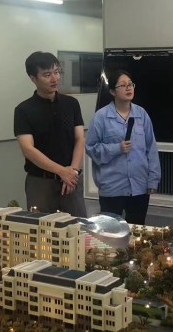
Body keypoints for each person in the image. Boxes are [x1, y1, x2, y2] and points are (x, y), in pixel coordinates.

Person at [14, 52, 87, 217]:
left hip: (71, 179)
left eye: (56, 72)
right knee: (41, 228)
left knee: (78, 225)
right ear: (33, 78)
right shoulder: (24, 110)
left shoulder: (71, 104)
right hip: (40, 182)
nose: (54, 78)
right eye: (47, 74)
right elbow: (28, 149)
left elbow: (79, 139)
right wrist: (61, 171)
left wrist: (73, 171)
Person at [86, 70, 161, 224]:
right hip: (112, 187)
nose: (128, 88)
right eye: (123, 85)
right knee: (111, 231)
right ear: (113, 91)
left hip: (139, 186)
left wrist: (153, 180)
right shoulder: (101, 117)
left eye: (130, 84)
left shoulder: (141, 114)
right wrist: (116, 148)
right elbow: (91, 148)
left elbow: (151, 149)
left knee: (137, 229)